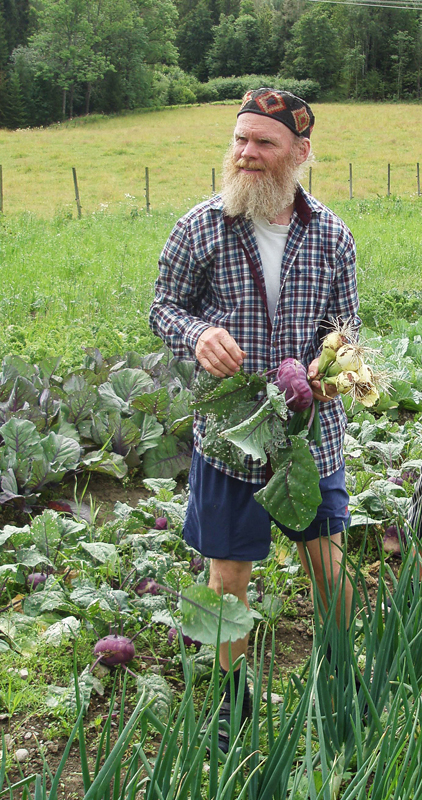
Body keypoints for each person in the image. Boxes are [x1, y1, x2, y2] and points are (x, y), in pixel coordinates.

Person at [149, 88, 360, 751]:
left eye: (263, 143)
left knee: (327, 565)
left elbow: (345, 332)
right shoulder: (201, 226)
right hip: (231, 437)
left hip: (309, 440)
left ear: (300, 154)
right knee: (227, 577)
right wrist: (197, 334)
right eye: (240, 140)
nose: (246, 154)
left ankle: (342, 685)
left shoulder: (330, 236)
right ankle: (230, 704)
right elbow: (163, 307)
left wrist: (335, 371)